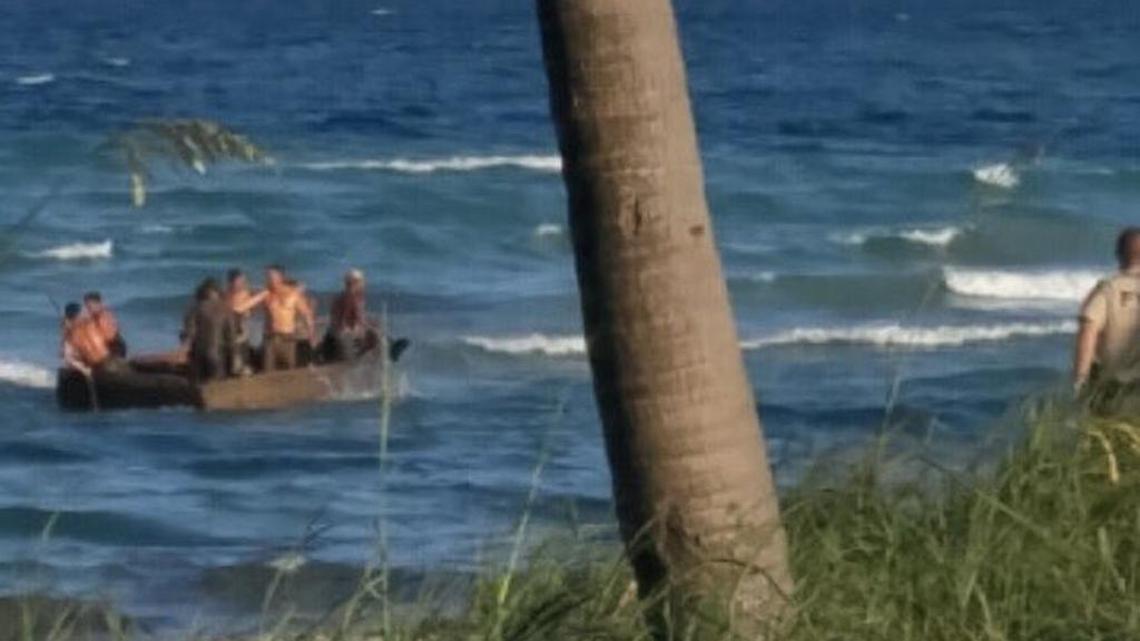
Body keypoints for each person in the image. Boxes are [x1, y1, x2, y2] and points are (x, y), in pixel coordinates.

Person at [1074, 227, 1140, 398]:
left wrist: (1080, 380)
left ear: (1118, 254)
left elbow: (1088, 329)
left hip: (1113, 389)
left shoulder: (1107, 290)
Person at [182, 278, 236, 382]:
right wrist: (233, 356)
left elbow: (190, 333)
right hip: (218, 353)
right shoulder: (226, 308)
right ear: (218, 292)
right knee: (218, 384)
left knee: (199, 383)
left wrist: (183, 337)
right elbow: (231, 335)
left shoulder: (194, 308)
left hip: (198, 353)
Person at [262, 265, 315, 372]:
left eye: (272, 276)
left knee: (289, 371)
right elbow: (249, 306)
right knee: (268, 371)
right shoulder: (266, 294)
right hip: (271, 338)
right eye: (268, 276)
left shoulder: (293, 294)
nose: (269, 279)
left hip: (288, 338)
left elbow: (307, 314)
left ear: (280, 277)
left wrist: (311, 335)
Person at [61, 302, 123, 375]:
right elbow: (68, 357)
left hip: (104, 361)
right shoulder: (71, 333)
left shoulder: (90, 324)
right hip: (99, 363)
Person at [225, 268, 266, 375]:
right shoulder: (226, 294)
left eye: (244, 281)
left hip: (245, 323)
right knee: (237, 349)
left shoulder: (246, 291)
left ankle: (245, 368)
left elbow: (259, 293)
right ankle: (239, 369)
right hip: (233, 325)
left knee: (245, 347)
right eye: (239, 281)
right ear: (231, 282)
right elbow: (236, 309)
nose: (242, 284)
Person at [325, 268, 372, 361]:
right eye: (362, 281)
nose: (364, 284)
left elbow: (337, 316)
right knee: (373, 335)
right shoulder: (354, 297)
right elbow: (356, 318)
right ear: (356, 282)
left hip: (333, 332)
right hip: (345, 334)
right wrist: (367, 326)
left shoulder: (340, 296)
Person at [83, 291, 127, 358]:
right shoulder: (92, 318)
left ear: (99, 304)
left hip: (115, 348)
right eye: (87, 307)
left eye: (90, 306)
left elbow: (110, 336)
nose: (88, 309)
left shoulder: (105, 317)